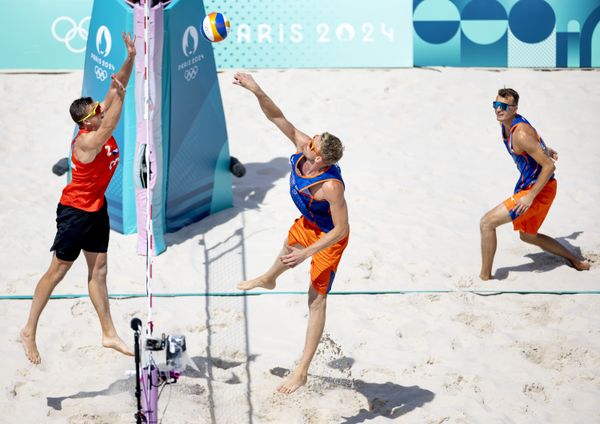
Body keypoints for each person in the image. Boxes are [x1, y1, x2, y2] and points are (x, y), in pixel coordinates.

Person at [20, 33, 137, 364]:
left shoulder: (96, 117)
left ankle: (108, 334)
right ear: (87, 121)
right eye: (97, 111)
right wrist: (122, 98)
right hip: (74, 212)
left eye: (100, 108)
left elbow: (115, 89)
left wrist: (129, 59)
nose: (102, 109)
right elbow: (114, 117)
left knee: (99, 270)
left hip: (96, 208)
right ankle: (29, 330)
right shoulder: (86, 142)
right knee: (57, 272)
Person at [233, 72, 350, 394]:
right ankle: (270, 277)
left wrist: (310, 252)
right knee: (288, 244)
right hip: (308, 223)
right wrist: (257, 90)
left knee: (316, 300)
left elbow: (342, 228)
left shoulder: (330, 186)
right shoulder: (302, 149)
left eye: (312, 142)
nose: (306, 139)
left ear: (320, 157)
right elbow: (276, 116)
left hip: (329, 237)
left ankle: (301, 370)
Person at [479, 88, 590, 280]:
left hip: (539, 188)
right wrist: (545, 149)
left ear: (514, 109)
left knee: (487, 223)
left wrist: (530, 197)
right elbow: (535, 143)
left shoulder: (520, 133)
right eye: (495, 105)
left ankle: (484, 277)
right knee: (527, 236)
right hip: (530, 184)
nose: (498, 109)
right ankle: (576, 261)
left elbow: (548, 167)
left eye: (503, 106)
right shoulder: (508, 123)